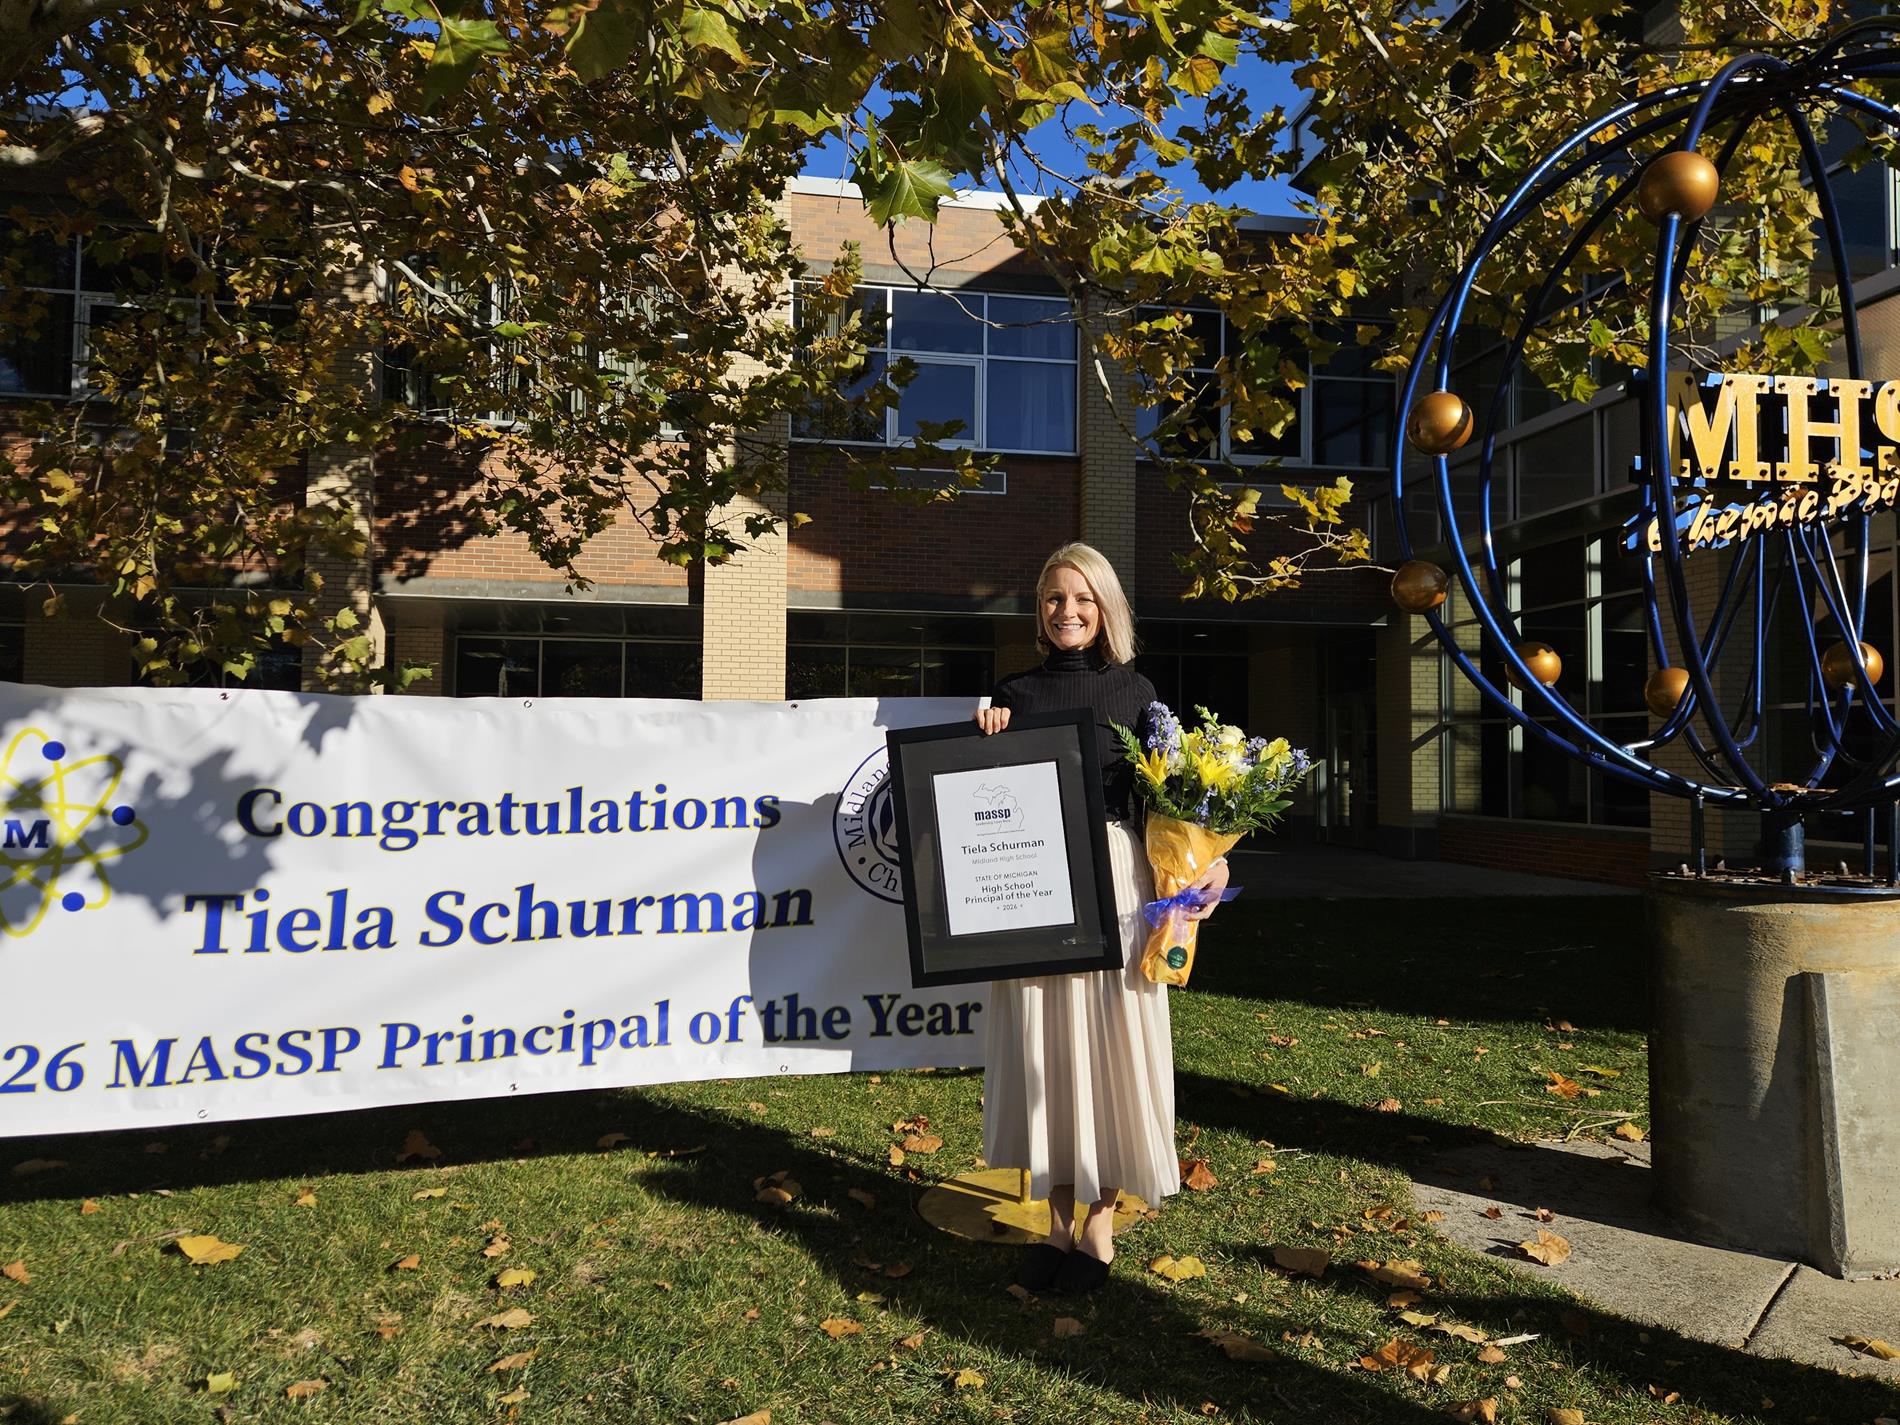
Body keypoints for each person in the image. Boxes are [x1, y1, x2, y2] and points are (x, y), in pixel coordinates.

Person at [972, 542, 1231, 1294]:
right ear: (1040, 608)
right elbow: (983, 802)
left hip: (1118, 879)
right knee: (1044, 1046)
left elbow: (1171, 802)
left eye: (1083, 598)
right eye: (1055, 597)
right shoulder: (1012, 693)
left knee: (1116, 1042)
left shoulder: (1138, 692)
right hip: (1034, 879)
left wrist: (1210, 863)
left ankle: (1100, 1227)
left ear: (1106, 607)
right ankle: (1057, 1223)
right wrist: (982, 738)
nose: (1068, 611)